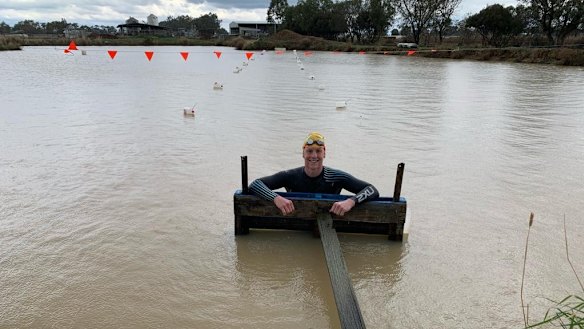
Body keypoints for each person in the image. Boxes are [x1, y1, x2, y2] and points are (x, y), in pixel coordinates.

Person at [249, 132, 379, 216]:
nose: (314, 156)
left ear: (324, 153)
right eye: (310, 151)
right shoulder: (290, 176)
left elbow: (372, 190)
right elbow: (255, 184)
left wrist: (351, 202)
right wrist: (275, 198)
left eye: (318, 151)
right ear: (303, 153)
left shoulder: (336, 177)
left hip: (329, 223)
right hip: (295, 225)